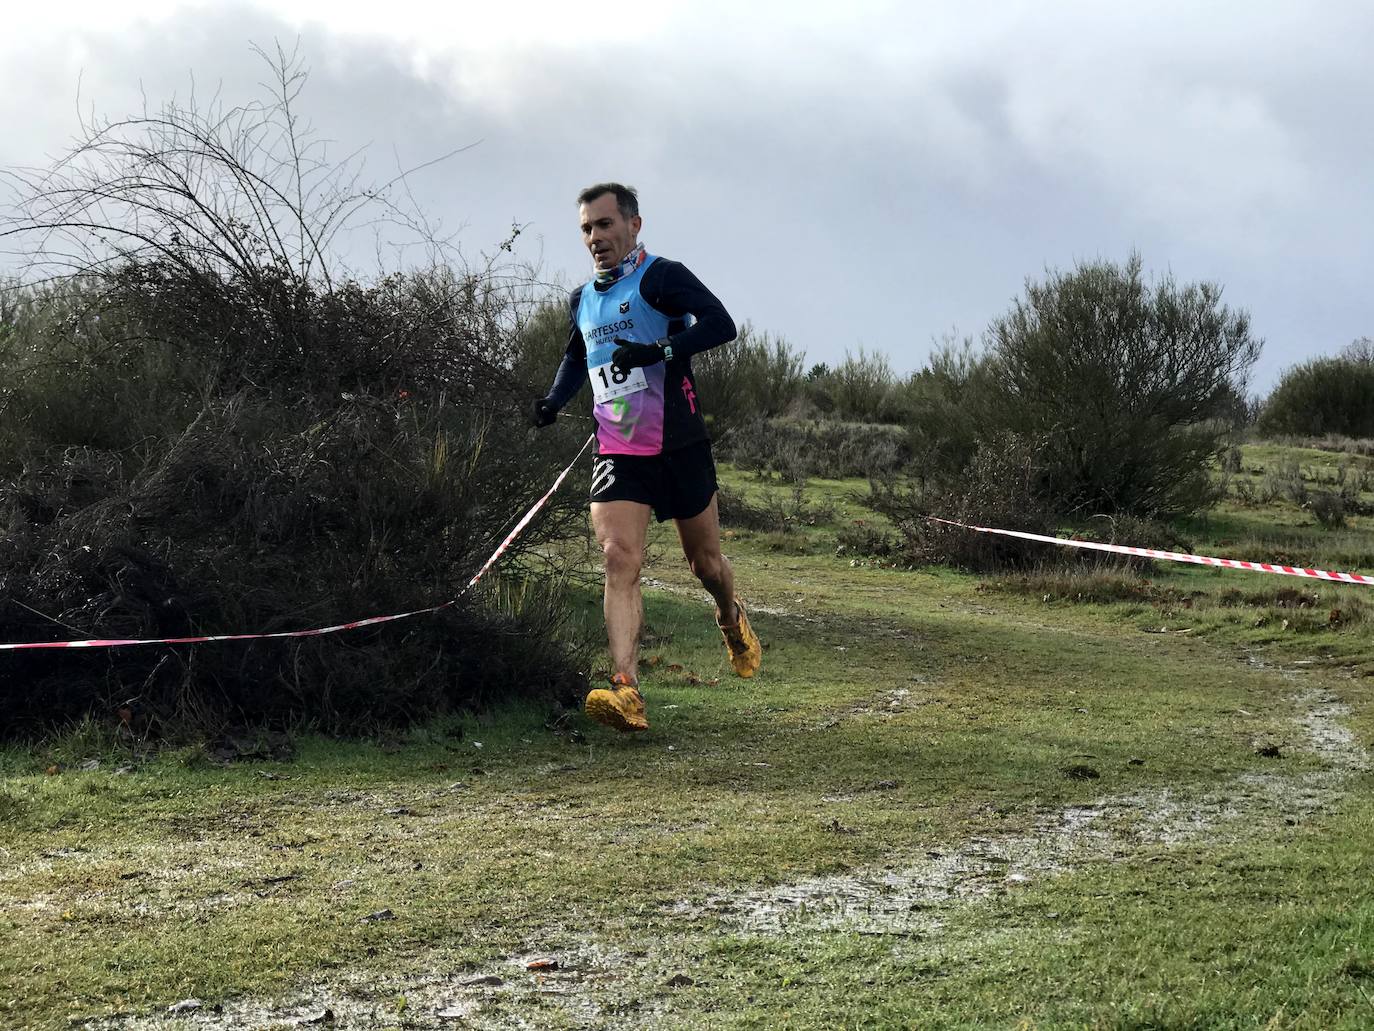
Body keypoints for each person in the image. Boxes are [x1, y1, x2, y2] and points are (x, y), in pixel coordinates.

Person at [530, 182, 761, 732]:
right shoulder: (582, 299)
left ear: (634, 225)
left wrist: (659, 350)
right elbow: (576, 357)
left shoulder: (661, 276)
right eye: (586, 228)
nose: (595, 238)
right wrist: (553, 400)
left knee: (705, 565)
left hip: (678, 444)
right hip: (618, 447)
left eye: (605, 224)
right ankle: (626, 688)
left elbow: (721, 324)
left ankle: (730, 618)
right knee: (618, 557)